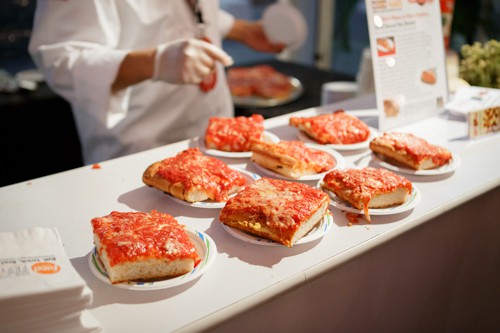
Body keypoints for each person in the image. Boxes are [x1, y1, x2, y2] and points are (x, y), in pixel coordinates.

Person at [29, 1, 284, 164]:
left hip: (218, 137)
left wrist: (243, 30)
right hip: (141, 149)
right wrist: (154, 62)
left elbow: (190, 10)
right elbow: (59, 59)